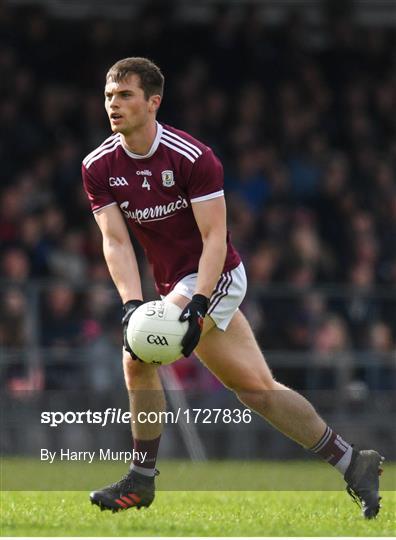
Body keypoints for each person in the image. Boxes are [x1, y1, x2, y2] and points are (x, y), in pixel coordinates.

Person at [82, 57, 384, 519]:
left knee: (136, 352)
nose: (113, 104)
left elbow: (214, 239)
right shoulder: (98, 165)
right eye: (109, 96)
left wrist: (199, 303)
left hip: (215, 274)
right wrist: (129, 303)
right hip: (172, 283)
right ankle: (352, 462)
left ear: (153, 102)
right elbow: (115, 239)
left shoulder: (193, 157)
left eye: (125, 95)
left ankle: (141, 478)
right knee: (258, 391)